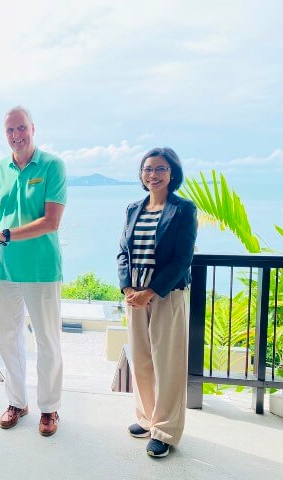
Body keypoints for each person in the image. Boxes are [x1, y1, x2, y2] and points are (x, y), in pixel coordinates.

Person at [0, 106, 66, 437]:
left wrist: (6, 234)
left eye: (21, 128)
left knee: (47, 340)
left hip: (42, 268)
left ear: (33, 128)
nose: (16, 135)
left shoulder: (53, 166)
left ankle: (50, 408)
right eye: (10, 130)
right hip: (5, 268)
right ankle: (17, 402)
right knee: (7, 338)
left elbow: (51, 221)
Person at [117, 147, 197, 458]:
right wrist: (128, 289)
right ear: (141, 174)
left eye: (161, 169)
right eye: (148, 168)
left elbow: (182, 259)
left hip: (167, 294)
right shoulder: (132, 209)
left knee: (169, 363)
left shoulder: (184, 210)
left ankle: (165, 430)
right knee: (142, 359)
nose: (154, 174)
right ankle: (147, 418)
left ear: (172, 174)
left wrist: (151, 291)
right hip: (134, 295)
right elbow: (122, 251)